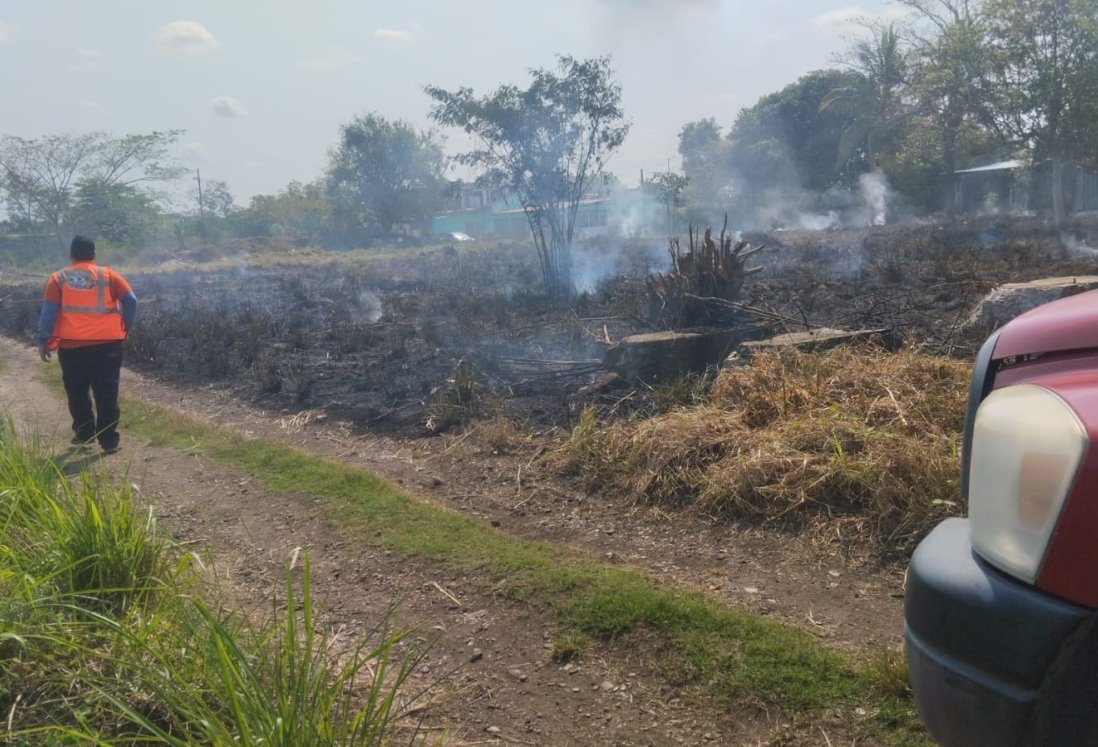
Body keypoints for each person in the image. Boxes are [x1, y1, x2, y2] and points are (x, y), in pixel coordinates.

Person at [36, 235, 137, 454]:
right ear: (94, 254)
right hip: (108, 345)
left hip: (72, 348)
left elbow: (49, 312)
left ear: (71, 255)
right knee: (106, 391)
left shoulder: (58, 279)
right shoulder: (109, 275)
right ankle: (109, 441)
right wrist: (125, 326)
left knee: (77, 391)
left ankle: (84, 434)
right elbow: (131, 301)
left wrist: (43, 340)